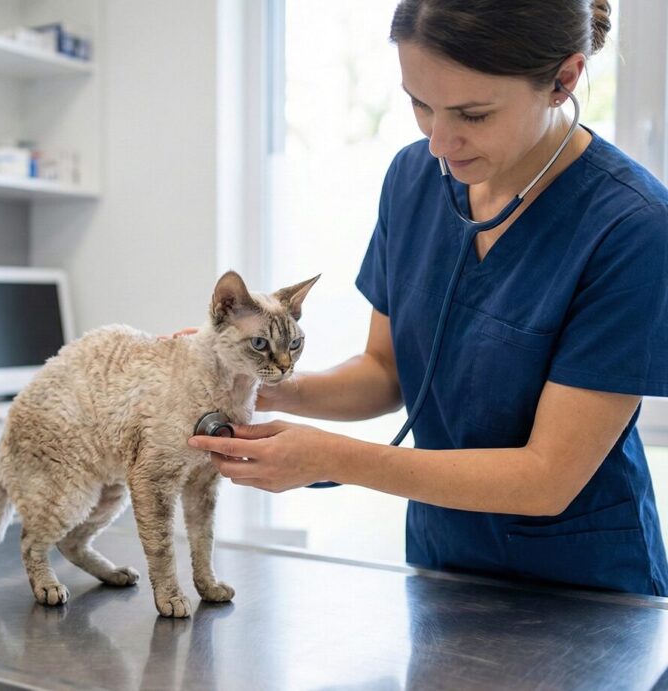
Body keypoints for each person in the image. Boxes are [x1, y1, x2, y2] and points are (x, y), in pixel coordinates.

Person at [187, 0, 668, 596]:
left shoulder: (631, 227)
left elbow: (549, 477)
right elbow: (386, 371)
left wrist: (333, 458)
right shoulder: (413, 180)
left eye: (473, 113)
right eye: (420, 104)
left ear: (563, 81)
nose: (440, 141)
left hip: (586, 589)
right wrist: (248, 379)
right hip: (443, 562)